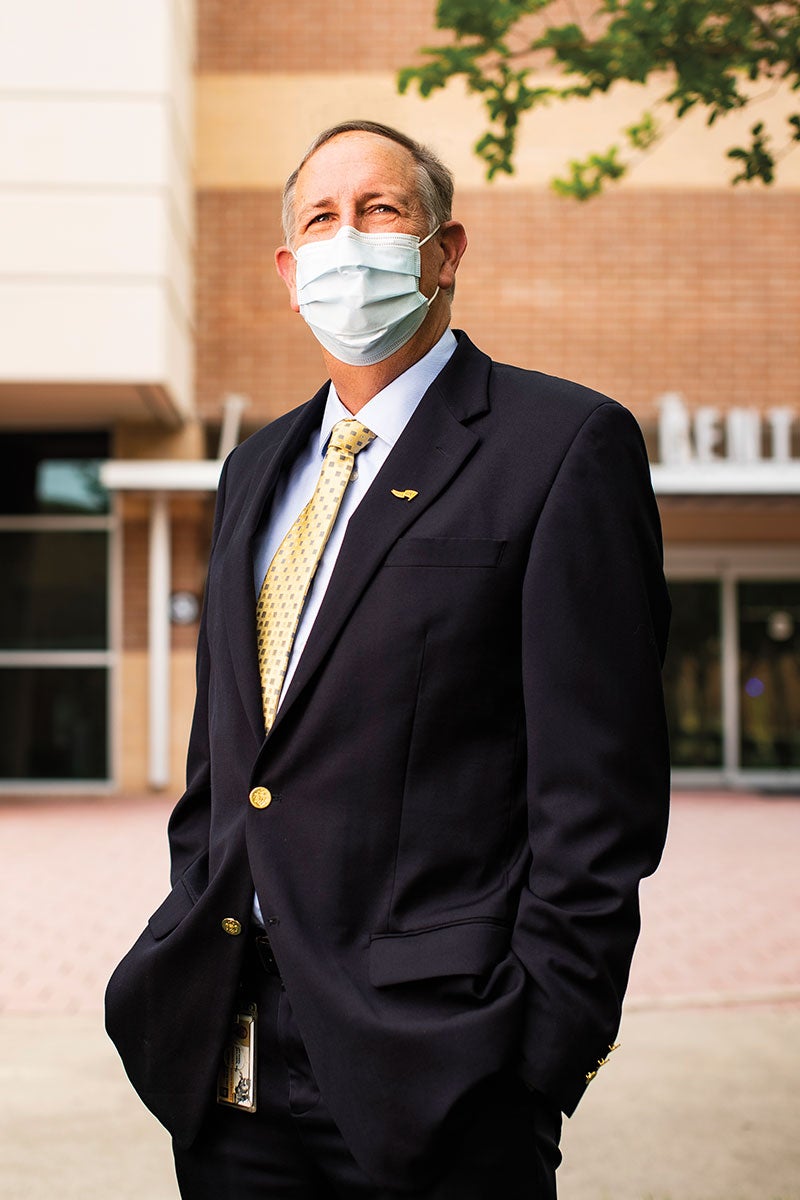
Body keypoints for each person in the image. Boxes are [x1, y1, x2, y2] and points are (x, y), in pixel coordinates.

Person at [106, 120, 671, 1199]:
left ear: (444, 249)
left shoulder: (560, 447)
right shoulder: (254, 469)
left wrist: (540, 1051)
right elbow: (228, 766)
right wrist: (181, 922)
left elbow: (597, 795)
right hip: (229, 1058)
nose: (346, 239)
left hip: (440, 1066)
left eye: (380, 211)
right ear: (287, 271)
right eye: (320, 218)